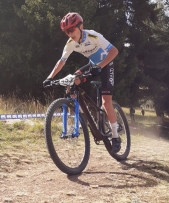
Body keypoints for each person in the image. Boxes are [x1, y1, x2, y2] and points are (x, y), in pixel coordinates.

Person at [43, 12, 120, 153]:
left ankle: (115, 136)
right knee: (71, 81)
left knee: (106, 102)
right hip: (93, 65)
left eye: (72, 29)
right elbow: (61, 61)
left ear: (81, 26)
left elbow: (114, 51)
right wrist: (50, 77)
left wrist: (100, 66)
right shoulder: (71, 43)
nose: (69, 33)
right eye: (66, 31)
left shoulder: (93, 36)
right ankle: (78, 113)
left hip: (106, 64)